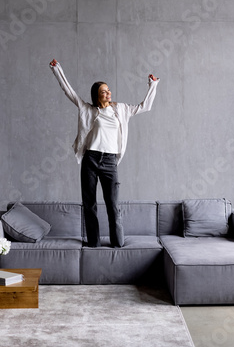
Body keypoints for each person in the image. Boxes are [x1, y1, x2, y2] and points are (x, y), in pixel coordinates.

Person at [49, 58, 159, 248]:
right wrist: (57, 69)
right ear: (97, 96)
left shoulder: (122, 110)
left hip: (109, 161)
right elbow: (69, 92)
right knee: (89, 204)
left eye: (108, 90)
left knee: (113, 205)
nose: (108, 93)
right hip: (90, 159)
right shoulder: (88, 110)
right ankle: (93, 243)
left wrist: (153, 84)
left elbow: (145, 106)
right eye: (103, 91)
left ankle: (118, 244)